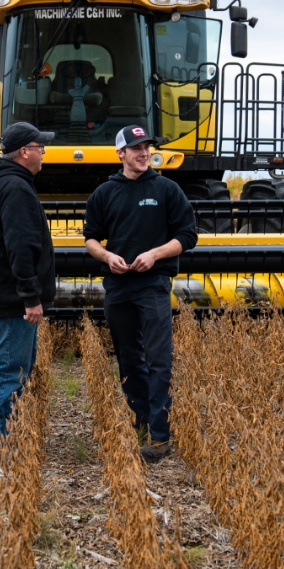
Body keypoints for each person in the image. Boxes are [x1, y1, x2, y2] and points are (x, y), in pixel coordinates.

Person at [83, 125, 197, 463]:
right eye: (136, 148)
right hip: (118, 286)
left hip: (154, 285)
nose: (143, 152)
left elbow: (188, 235)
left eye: (146, 147)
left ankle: (161, 437)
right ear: (121, 154)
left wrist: (155, 254)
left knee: (159, 358)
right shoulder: (104, 193)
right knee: (128, 358)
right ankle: (141, 420)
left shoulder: (167, 189)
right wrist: (106, 256)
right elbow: (90, 238)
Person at [0, 121, 56, 464]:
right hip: (13, 298)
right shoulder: (16, 188)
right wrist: (31, 297)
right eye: (41, 148)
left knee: (12, 366)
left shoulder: (5, 183)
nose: (43, 154)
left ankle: (6, 436)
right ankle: (0, 443)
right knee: (9, 368)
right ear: (25, 151)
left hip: (7, 293)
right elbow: (20, 247)